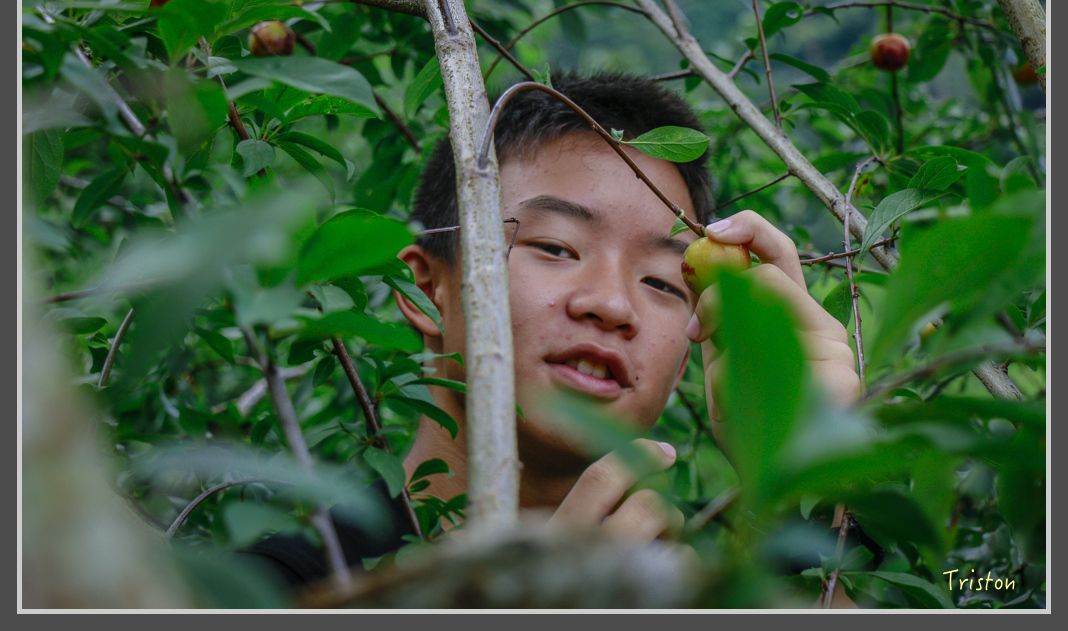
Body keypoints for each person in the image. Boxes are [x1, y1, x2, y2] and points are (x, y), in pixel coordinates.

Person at [245, 71, 860, 602]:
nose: (614, 305)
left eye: (665, 283)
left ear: (685, 356)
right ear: (425, 291)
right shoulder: (281, 589)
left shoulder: (709, 582)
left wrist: (804, 483)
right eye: (555, 247)